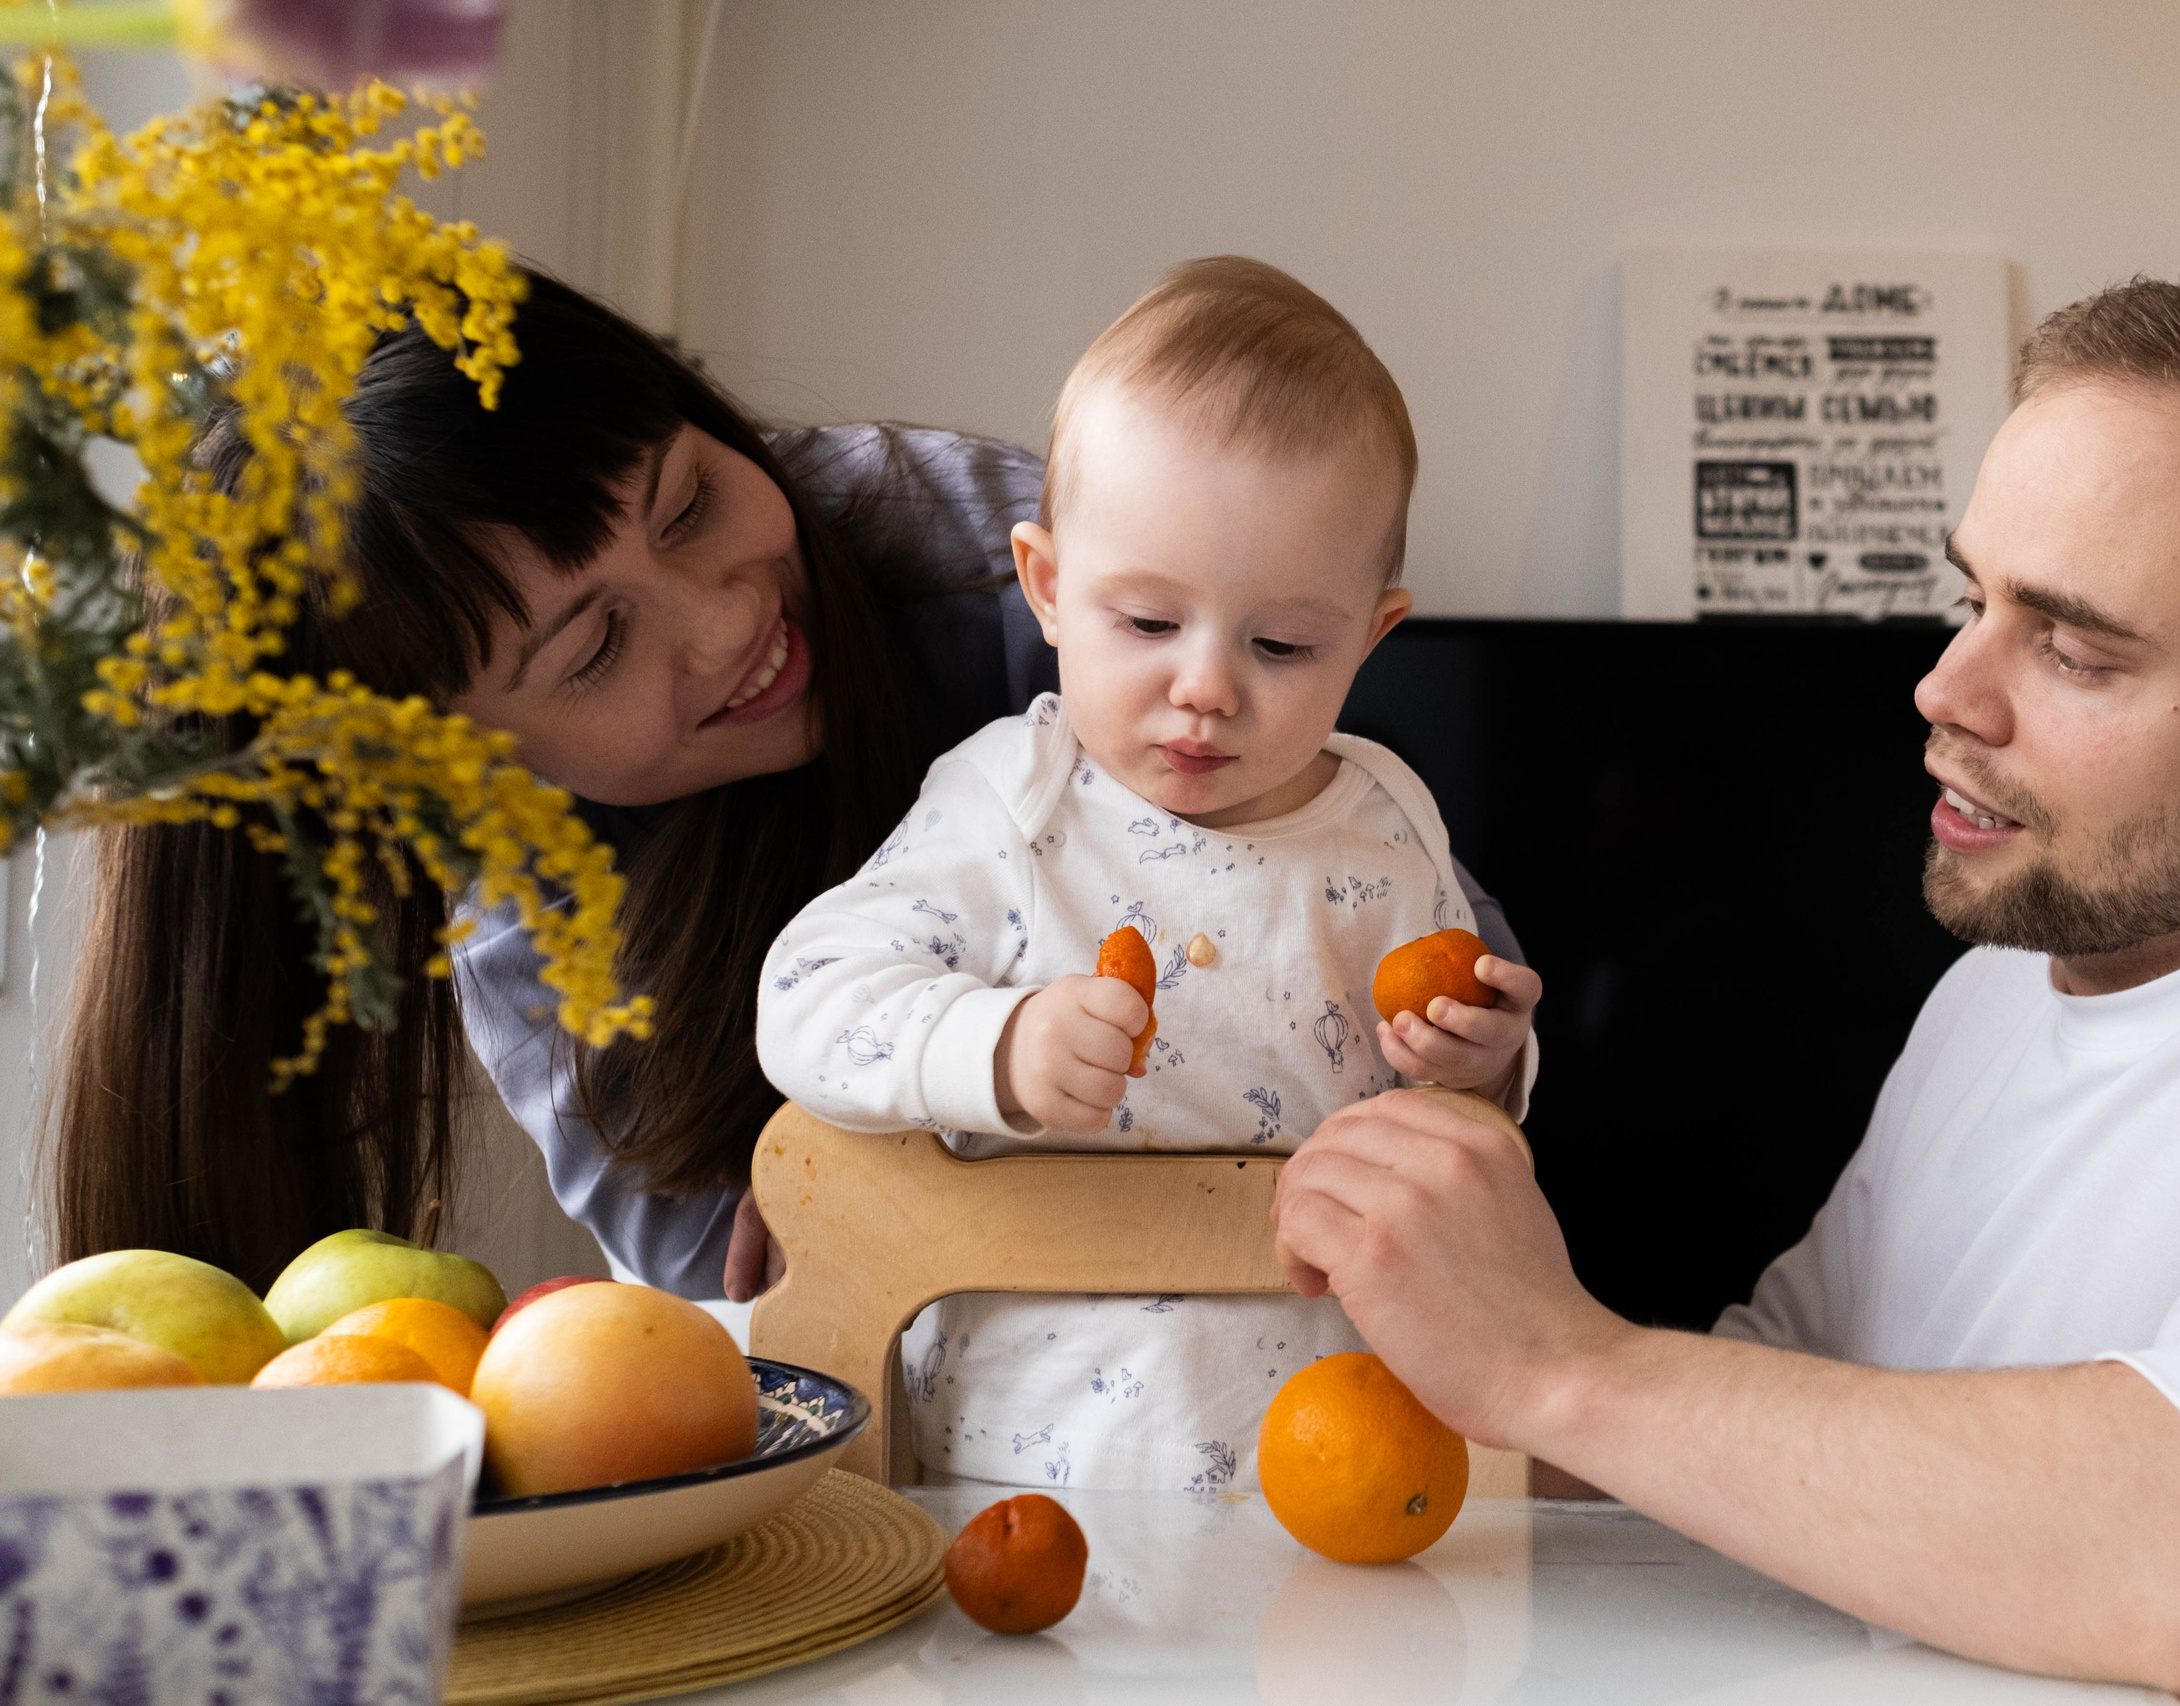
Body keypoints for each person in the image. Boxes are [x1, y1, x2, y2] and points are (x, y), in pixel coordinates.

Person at [1269, 280, 2180, 1703]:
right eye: (1972, 600)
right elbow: (1787, 1393)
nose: (1946, 688)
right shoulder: (2000, 991)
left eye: (2073, 648)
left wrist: (1554, 1363)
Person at [41, 267, 1534, 1303]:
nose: (726, 622)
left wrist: (1465, 1052)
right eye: (594, 647)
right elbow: (755, 1280)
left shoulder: (998, 570)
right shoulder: (541, 922)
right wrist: (871, 1130)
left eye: (691, 500)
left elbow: (1397, 926)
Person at [757, 257, 1540, 1489]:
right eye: (1147, 623)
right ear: (1047, 586)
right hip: (1016, 1451)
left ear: (1370, 634)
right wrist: (996, 1045)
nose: (1206, 686)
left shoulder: (1384, 824)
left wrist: (1479, 1062)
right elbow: (806, 998)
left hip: (1324, 1445)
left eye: (1281, 642)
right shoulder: (1012, 802)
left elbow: (1440, 1124)